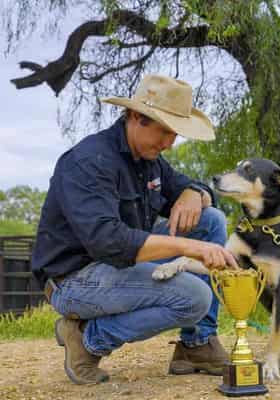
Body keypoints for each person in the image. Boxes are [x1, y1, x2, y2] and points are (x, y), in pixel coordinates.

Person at [31, 74, 239, 385]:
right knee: (195, 298)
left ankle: (197, 344)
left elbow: (185, 186)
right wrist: (187, 248)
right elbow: (110, 243)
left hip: (119, 266)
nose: (170, 143)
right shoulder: (89, 162)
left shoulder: (150, 158)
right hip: (74, 279)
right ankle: (87, 339)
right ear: (135, 117)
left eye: (175, 134)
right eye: (165, 131)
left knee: (210, 219)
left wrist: (194, 192)